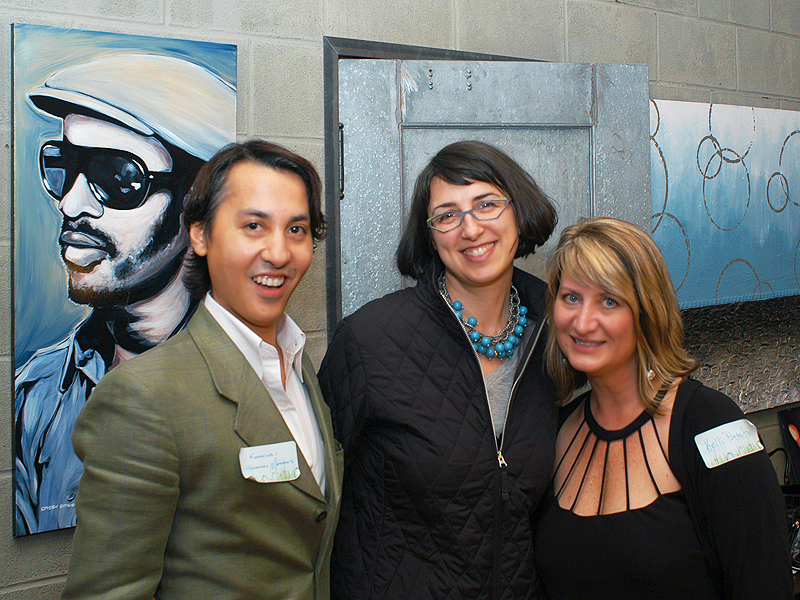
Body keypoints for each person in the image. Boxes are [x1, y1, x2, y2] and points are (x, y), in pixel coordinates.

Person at [60, 140, 343, 599]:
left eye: (297, 229)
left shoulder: (298, 362)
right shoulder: (142, 397)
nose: (279, 252)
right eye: (254, 225)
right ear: (200, 235)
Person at [318, 140, 559, 600]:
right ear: (430, 236)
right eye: (447, 215)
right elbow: (316, 496)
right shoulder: (371, 339)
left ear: (518, 212)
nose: (471, 228)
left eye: (486, 204)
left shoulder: (559, 330)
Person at [15, 53, 236, 534]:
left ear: (198, 210)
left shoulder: (246, 377)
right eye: (62, 166)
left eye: (118, 177)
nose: (70, 203)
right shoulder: (35, 395)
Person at [534, 217, 792, 600]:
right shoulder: (556, 430)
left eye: (609, 300)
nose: (583, 322)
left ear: (647, 312)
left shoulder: (712, 424)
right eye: (571, 297)